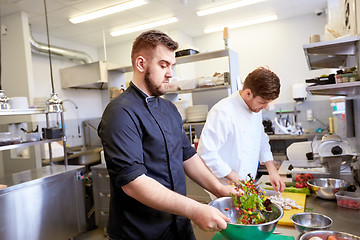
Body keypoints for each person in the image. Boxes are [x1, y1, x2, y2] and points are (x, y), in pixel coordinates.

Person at [98, 30, 235, 240]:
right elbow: (133, 182)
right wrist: (195, 209)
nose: (170, 73)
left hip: (178, 226)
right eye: (163, 65)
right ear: (141, 64)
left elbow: (187, 155)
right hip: (140, 232)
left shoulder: (169, 109)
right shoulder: (120, 112)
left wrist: (219, 188)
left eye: (172, 66)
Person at [197, 67, 286, 192]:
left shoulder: (255, 108)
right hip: (226, 185)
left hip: (246, 183)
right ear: (248, 93)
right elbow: (206, 153)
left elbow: (261, 141)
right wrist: (238, 180)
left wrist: (273, 172)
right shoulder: (222, 111)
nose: (266, 107)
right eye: (262, 102)